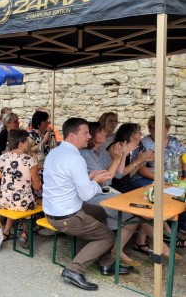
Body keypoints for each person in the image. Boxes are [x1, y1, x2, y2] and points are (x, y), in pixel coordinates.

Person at [43, 117, 133, 291]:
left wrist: (88, 178)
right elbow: (86, 194)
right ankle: (73, 269)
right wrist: (96, 181)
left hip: (55, 210)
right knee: (108, 237)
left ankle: (107, 264)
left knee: (100, 212)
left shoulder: (55, 152)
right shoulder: (75, 159)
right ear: (72, 135)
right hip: (67, 216)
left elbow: (65, 181)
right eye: (85, 133)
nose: (88, 136)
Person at [80, 122, 160, 267]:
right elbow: (108, 178)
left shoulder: (102, 151)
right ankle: (158, 243)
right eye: (101, 132)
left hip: (107, 191)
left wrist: (124, 156)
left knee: (138, 210)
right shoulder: (86, 154)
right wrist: (122, 157)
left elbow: (116, 174)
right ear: (92, 135)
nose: (106, 134)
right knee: (135, 211)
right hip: (95, 195)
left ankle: (156, 242)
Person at [0, 129, 42, 248]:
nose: (29, 143)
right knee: (33, 198)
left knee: (17, 196)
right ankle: (25, 233)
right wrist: (36, 166)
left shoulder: (3, 157)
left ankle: (6, 232)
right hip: (22, 204)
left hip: (4, 201)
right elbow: (37, 186)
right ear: (20, 144)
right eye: (27, 141)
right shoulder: (30, 160)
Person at [132, 116, 186, 188]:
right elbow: (140, 168)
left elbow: (184, 157)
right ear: (150, 129)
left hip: (171, 177)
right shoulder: (143, 144)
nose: (159, 131)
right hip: (147, 178)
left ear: (168, 129)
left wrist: (184, 174)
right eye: (155, 128)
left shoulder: (174, 141)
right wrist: (161, 180)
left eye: (162, 128)